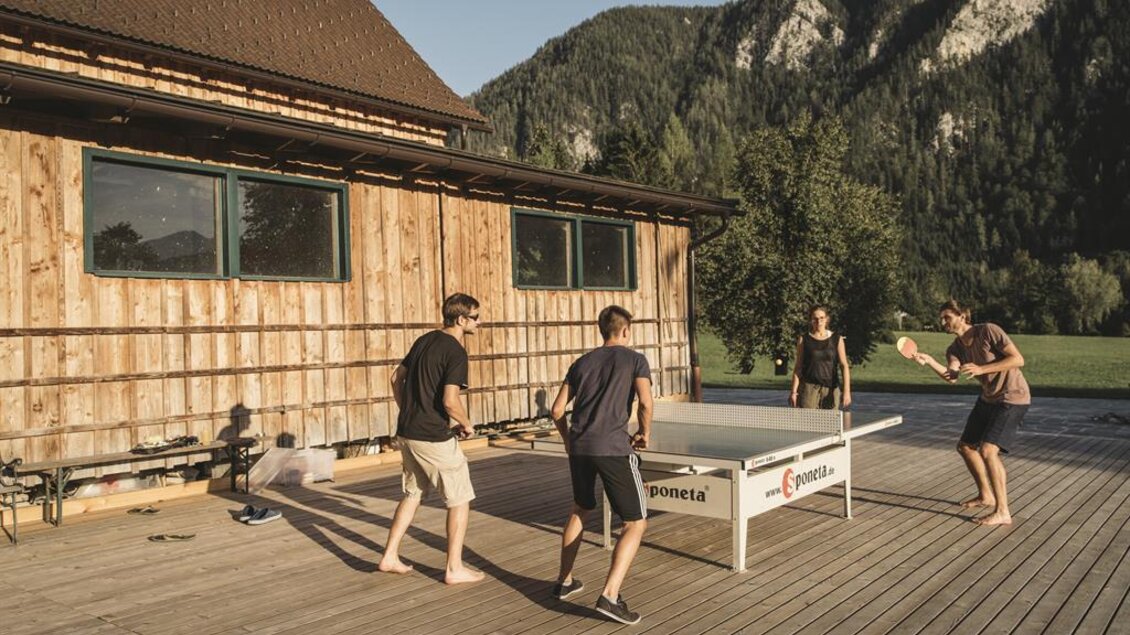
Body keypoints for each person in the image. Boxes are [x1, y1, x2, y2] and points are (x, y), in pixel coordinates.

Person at [550, 305, 653, 625]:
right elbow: (646, 403)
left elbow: (556, 411)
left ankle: (565, 581)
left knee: (580, 507)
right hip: (613, 448)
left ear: (601, 330)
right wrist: (645, 433)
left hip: (580, 447)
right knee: (635, 523)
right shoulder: (635, 359)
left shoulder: (581, 363)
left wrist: (569, 440)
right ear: (625, 330)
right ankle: (610, 595)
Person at [377, 293, 485, 584]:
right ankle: (454, 568)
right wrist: (467, 424)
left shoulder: (424, 340)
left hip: (408, 431)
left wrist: (411, 410)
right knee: (460, 499)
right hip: (433, 437)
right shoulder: (456, 352)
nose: (479, 322)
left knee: (413, 493)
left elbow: (394, 378)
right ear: (462, 320)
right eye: (476, 317)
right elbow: (450, 401)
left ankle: (389, 556)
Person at [913, 299, 1030, 527]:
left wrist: (982, 369)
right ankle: (986, 495)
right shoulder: (955, 349)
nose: (943, 321)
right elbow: (952, 376)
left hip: (1013, 397)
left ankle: (1003, 511)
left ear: (962, 316)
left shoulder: (989, 331)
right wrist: (929, 361)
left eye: (947, 317)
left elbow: (1018, 359)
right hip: (988, 398)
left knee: (988, 451)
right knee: (965, 446)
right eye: (942, 317)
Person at [789, 305, 852, 409]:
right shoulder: (803, 339)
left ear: (827, 319)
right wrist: (793, 392)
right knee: (808, 423)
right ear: (811, 320)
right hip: (809, 389)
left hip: (831, 388)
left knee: (829, 423)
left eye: (822, 317)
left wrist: (846, 391)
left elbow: (844, 366)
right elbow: (798, 368)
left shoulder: (837, 339)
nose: (819, 321)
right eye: (815, 318)